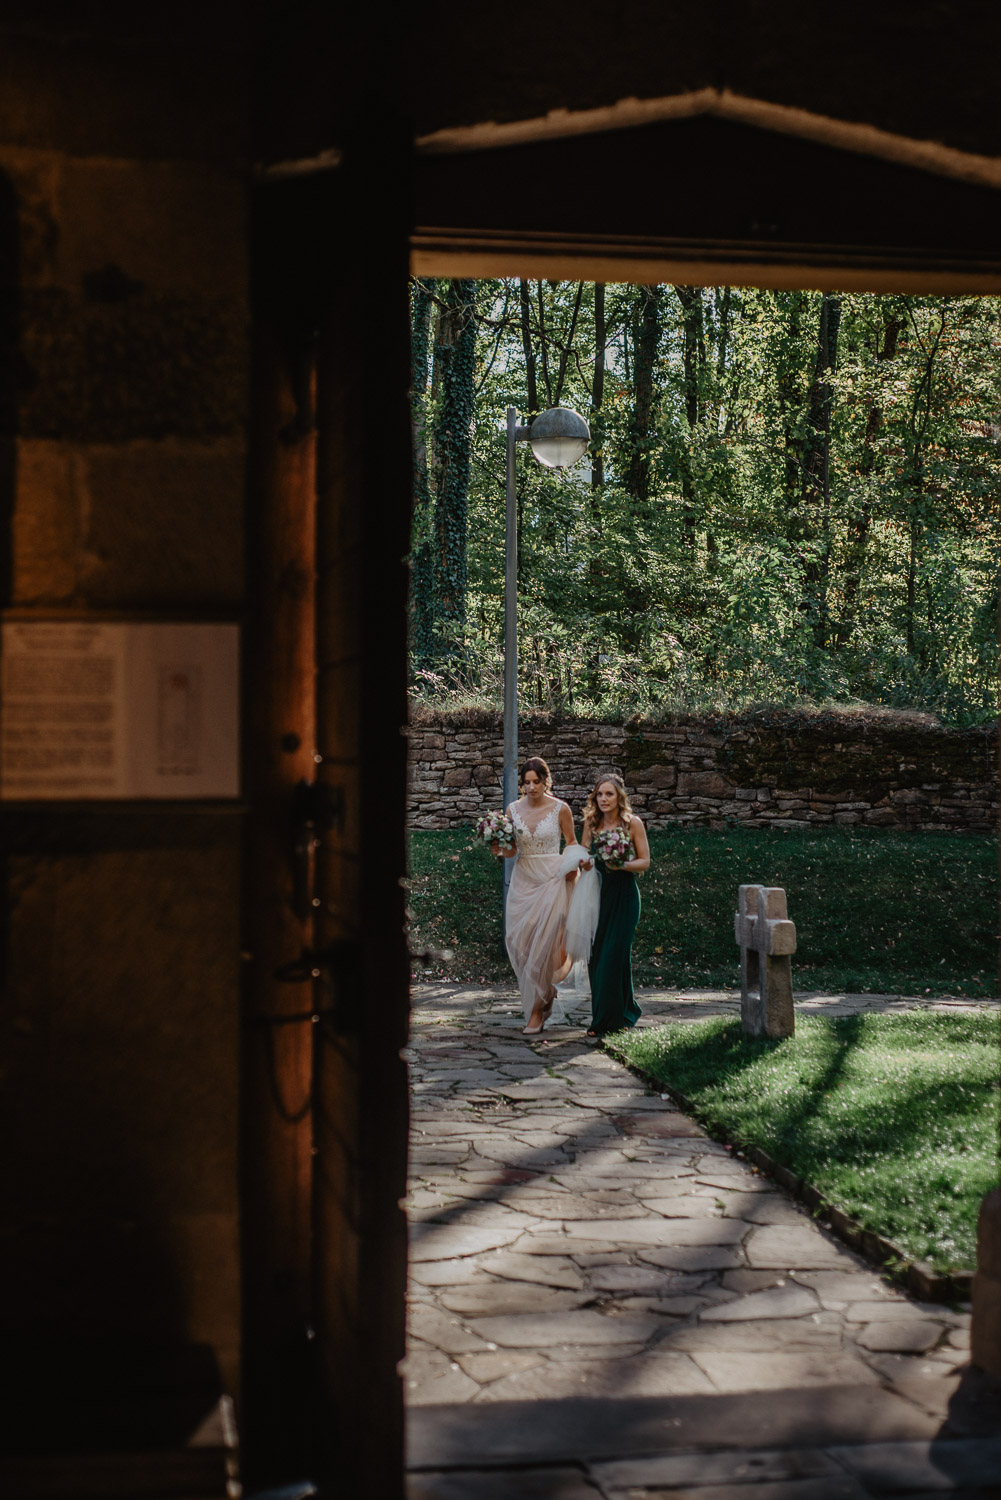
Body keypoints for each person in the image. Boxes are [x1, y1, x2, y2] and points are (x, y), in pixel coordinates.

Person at [494, 756, 579, 1035]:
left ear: (546, 782)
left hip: (553, 879)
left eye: (536, 782)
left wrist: (571, 870)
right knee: (519, 943)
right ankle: (545, 997)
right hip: (523, 879)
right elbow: (511, 851)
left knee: (543, 949)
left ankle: (535, 1011)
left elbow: (572, 844)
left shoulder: (560, 809)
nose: (531, 788)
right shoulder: (512, 809)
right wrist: (497, 847)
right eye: (526, 783)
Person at [580, 770, 650, 1038]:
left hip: (624, 896)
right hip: (597, 895)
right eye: (599, 794)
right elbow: (584, 855)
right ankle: (613, 1015)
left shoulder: (633, 823)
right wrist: (584, 862)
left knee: (615, 956)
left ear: (619, 796)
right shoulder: (591, 823)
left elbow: (644, 861)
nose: (603, 799)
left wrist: (620, 864)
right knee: (597, 958)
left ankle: (610, 1020)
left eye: (609, 794)